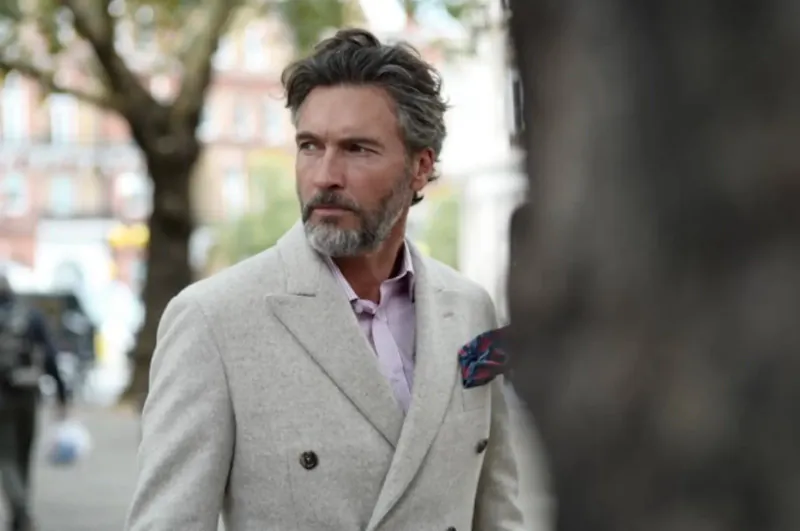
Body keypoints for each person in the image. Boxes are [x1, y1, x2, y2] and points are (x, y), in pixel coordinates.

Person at [126, 28, 525, 531]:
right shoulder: (213, 319)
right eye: (310, 146)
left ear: (420, 167)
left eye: (357, 149)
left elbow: (497, 503)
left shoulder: (473, 310)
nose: (324, 176)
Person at [0, 275, 69, 531]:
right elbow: (50, 356)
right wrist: (61, 394)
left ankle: (21, 512)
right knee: (23, 455)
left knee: (5, 457)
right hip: (28, 395)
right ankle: (20, 515)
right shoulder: (30, 316)